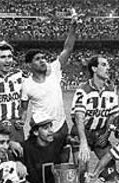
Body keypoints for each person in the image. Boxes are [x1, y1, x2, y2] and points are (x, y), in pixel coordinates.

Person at [21, 12, 78, 153]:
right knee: (43, 163)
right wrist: (21, 123)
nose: (43, 60)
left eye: (43, 57)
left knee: (63, 159)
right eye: (37, 59)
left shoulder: (53, 70)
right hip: (42, 129)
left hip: (61, 125)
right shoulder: (26, 84)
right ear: (29, 65)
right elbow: (23, 109)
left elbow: (68, 48)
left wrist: (73, 28)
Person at [70, 55, 119, 183]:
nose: (108, 68)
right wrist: (83, 142)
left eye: (107, 65)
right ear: (94, 68)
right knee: (81, 169)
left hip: (100, 133)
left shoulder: (111, 90)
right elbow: (79, 117)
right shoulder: (83, 90)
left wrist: (107, 133)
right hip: (81, 133)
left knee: (110, 165)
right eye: (104, 65)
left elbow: (113, 115)